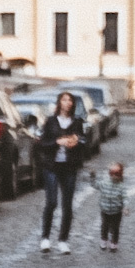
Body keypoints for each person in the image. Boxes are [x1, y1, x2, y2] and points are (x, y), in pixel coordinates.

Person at [39, 92, 84, 253]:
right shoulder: (51, 121)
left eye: (70, 100)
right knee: (51, 202)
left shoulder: (77, 122)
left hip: (69, 166)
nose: (67, 103)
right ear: (59, 103)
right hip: (52, 166)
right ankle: (45, 238)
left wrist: (76, 141)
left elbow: (83, 140)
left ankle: (63, 239)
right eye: (64, 100)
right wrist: (57, 142)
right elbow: (43, 143)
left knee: (67, 204)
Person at [96, 161, 126, 251]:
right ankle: (104, 239)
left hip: (116, 211)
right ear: (109, 173)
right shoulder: (104, 183)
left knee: (115, 228)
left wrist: (125, 207)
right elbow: (95, 185)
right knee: (104, 226)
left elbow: (125, 197)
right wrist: (92, 177)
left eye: (117, 174)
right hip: (105, 210)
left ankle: (114, 243)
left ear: (120, 175)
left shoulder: (121, 186)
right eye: (112, 173)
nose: (114, 176)